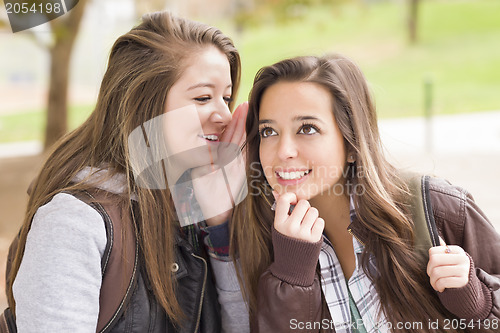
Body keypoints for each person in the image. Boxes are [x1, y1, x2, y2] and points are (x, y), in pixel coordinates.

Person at [7, 12, 249, 332]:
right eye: (203, 97)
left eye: (227, 97)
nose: (224, 114)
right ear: (142, 102)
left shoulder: (201, 208)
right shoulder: (74, 221)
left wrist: (220, 229)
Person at [230, 54, 500, 332]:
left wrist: (476, 301)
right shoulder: (260, 234)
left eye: (307, 128)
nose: (283, 151)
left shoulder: (438, 208)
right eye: (268, 131)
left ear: (351, 144)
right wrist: (291, 279)